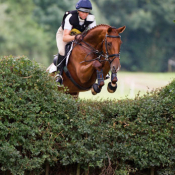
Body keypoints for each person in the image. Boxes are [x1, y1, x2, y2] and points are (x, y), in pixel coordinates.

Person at [55, 0, 96, 85]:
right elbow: (65, 37)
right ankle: (59, 74)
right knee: (62, 51)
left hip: (79, 36)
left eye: (87, 12)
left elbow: (93, 35)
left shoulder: (91, 18)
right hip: (64, 34)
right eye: (83, 12)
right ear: (78, 11)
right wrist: (76, 37)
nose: (85, 14)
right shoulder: (70, 17)